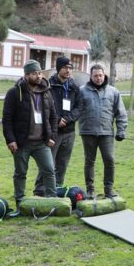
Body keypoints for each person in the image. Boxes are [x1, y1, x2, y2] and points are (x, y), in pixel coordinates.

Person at [2, 60, 58, 214]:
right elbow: (7, 119)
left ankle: (52, 201)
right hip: (22, 143)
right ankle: (20, 204)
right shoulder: (14, 92)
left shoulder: (47, 91)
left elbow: (53, 116)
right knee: (20, 173)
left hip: (42, 143)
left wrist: (52, 136)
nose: (38, 76)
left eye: (40, 73)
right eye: (34, 73)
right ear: (26, 75)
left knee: (49, 170)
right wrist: (10, 140)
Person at [33, 57, 82, 194]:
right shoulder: (49, 85)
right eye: (65, 67)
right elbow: (43, 105)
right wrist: (57, 120)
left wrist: (68, 119)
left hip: (69, 131)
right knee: (48, 162)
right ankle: (40, 189)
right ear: (58, 68)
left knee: (62, 162)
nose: (68, 70)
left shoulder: (73, 86)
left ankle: (57, 188)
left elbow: (79, 107)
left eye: (70, 68)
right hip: (54, 131)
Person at [79, 64, 128, 198]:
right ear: (91, 76)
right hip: (87, 132)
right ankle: (90, 190)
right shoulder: (82, 91)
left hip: (106, 133)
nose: (98, 78)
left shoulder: (113, 91)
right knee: (89, 161)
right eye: (95, 75)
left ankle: (109, 190)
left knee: (109, 160)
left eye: (100, 75)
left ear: (104, 75)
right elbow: (75, 110)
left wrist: (121, 130)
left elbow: (121, 112)